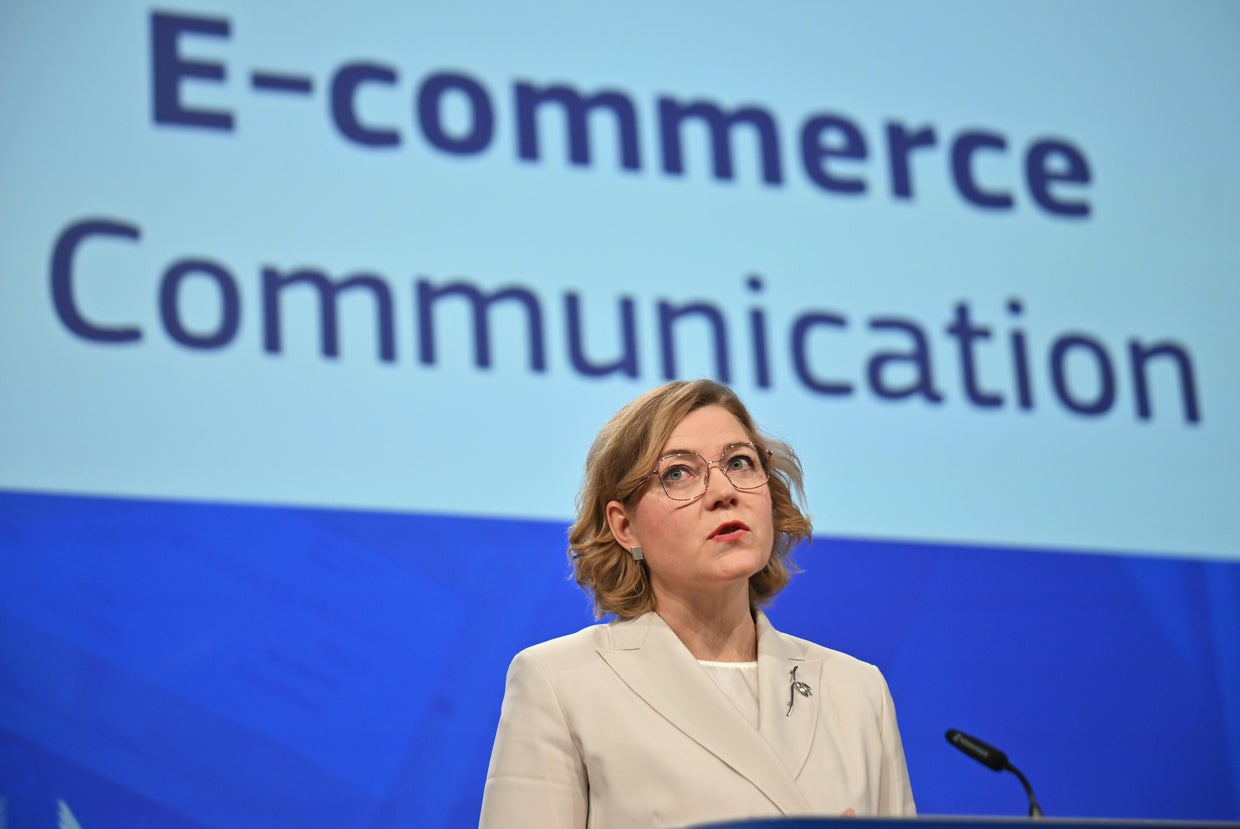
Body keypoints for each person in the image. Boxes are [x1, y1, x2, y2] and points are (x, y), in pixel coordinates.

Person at [479, 379, 915, 828]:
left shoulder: (857, 692)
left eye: (740, 463)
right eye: (677, 473)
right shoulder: (562, 682)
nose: (725, 491)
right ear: (625, 526)